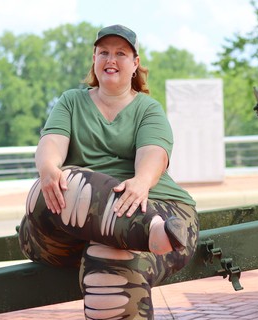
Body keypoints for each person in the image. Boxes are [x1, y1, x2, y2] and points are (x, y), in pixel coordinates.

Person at [18, 24, 199, 320]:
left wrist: (141, 182)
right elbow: (51, 143)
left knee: (109, 267)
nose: (110, 59)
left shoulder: (148, 109)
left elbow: (154, 154)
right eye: (104, 52)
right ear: (94, 58)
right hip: (70, 226)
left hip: (163, 214)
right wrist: (48, 167)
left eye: (120, 53)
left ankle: (149, 228)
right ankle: (146, 228)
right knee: (49, 188)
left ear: (135, 63)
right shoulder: (71, 102)